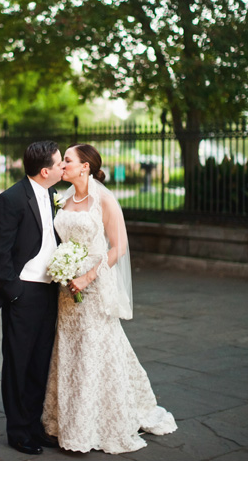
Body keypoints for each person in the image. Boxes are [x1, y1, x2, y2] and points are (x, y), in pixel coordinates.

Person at [42, 144, 177, 453]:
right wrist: (63, 269)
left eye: (68, 160)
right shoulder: (62, 200)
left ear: (85, 167)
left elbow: (119, 247)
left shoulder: (103, 200)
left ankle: (95, 423)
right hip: (66, 289)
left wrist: (87, 276)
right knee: (70, 350)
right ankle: (68, 421)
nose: (63, 164)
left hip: (92, 286)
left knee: (94, 349)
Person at [0, 141, 63, 455]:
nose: (62, 168)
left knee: (40, 362)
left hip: (49, 292)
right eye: (58, 164)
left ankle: (34, 426)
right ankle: (17, 431)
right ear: (45, 171)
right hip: (23, 294)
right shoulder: (11, 199)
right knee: (18, 363)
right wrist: (14, 292)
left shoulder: (54, 195)